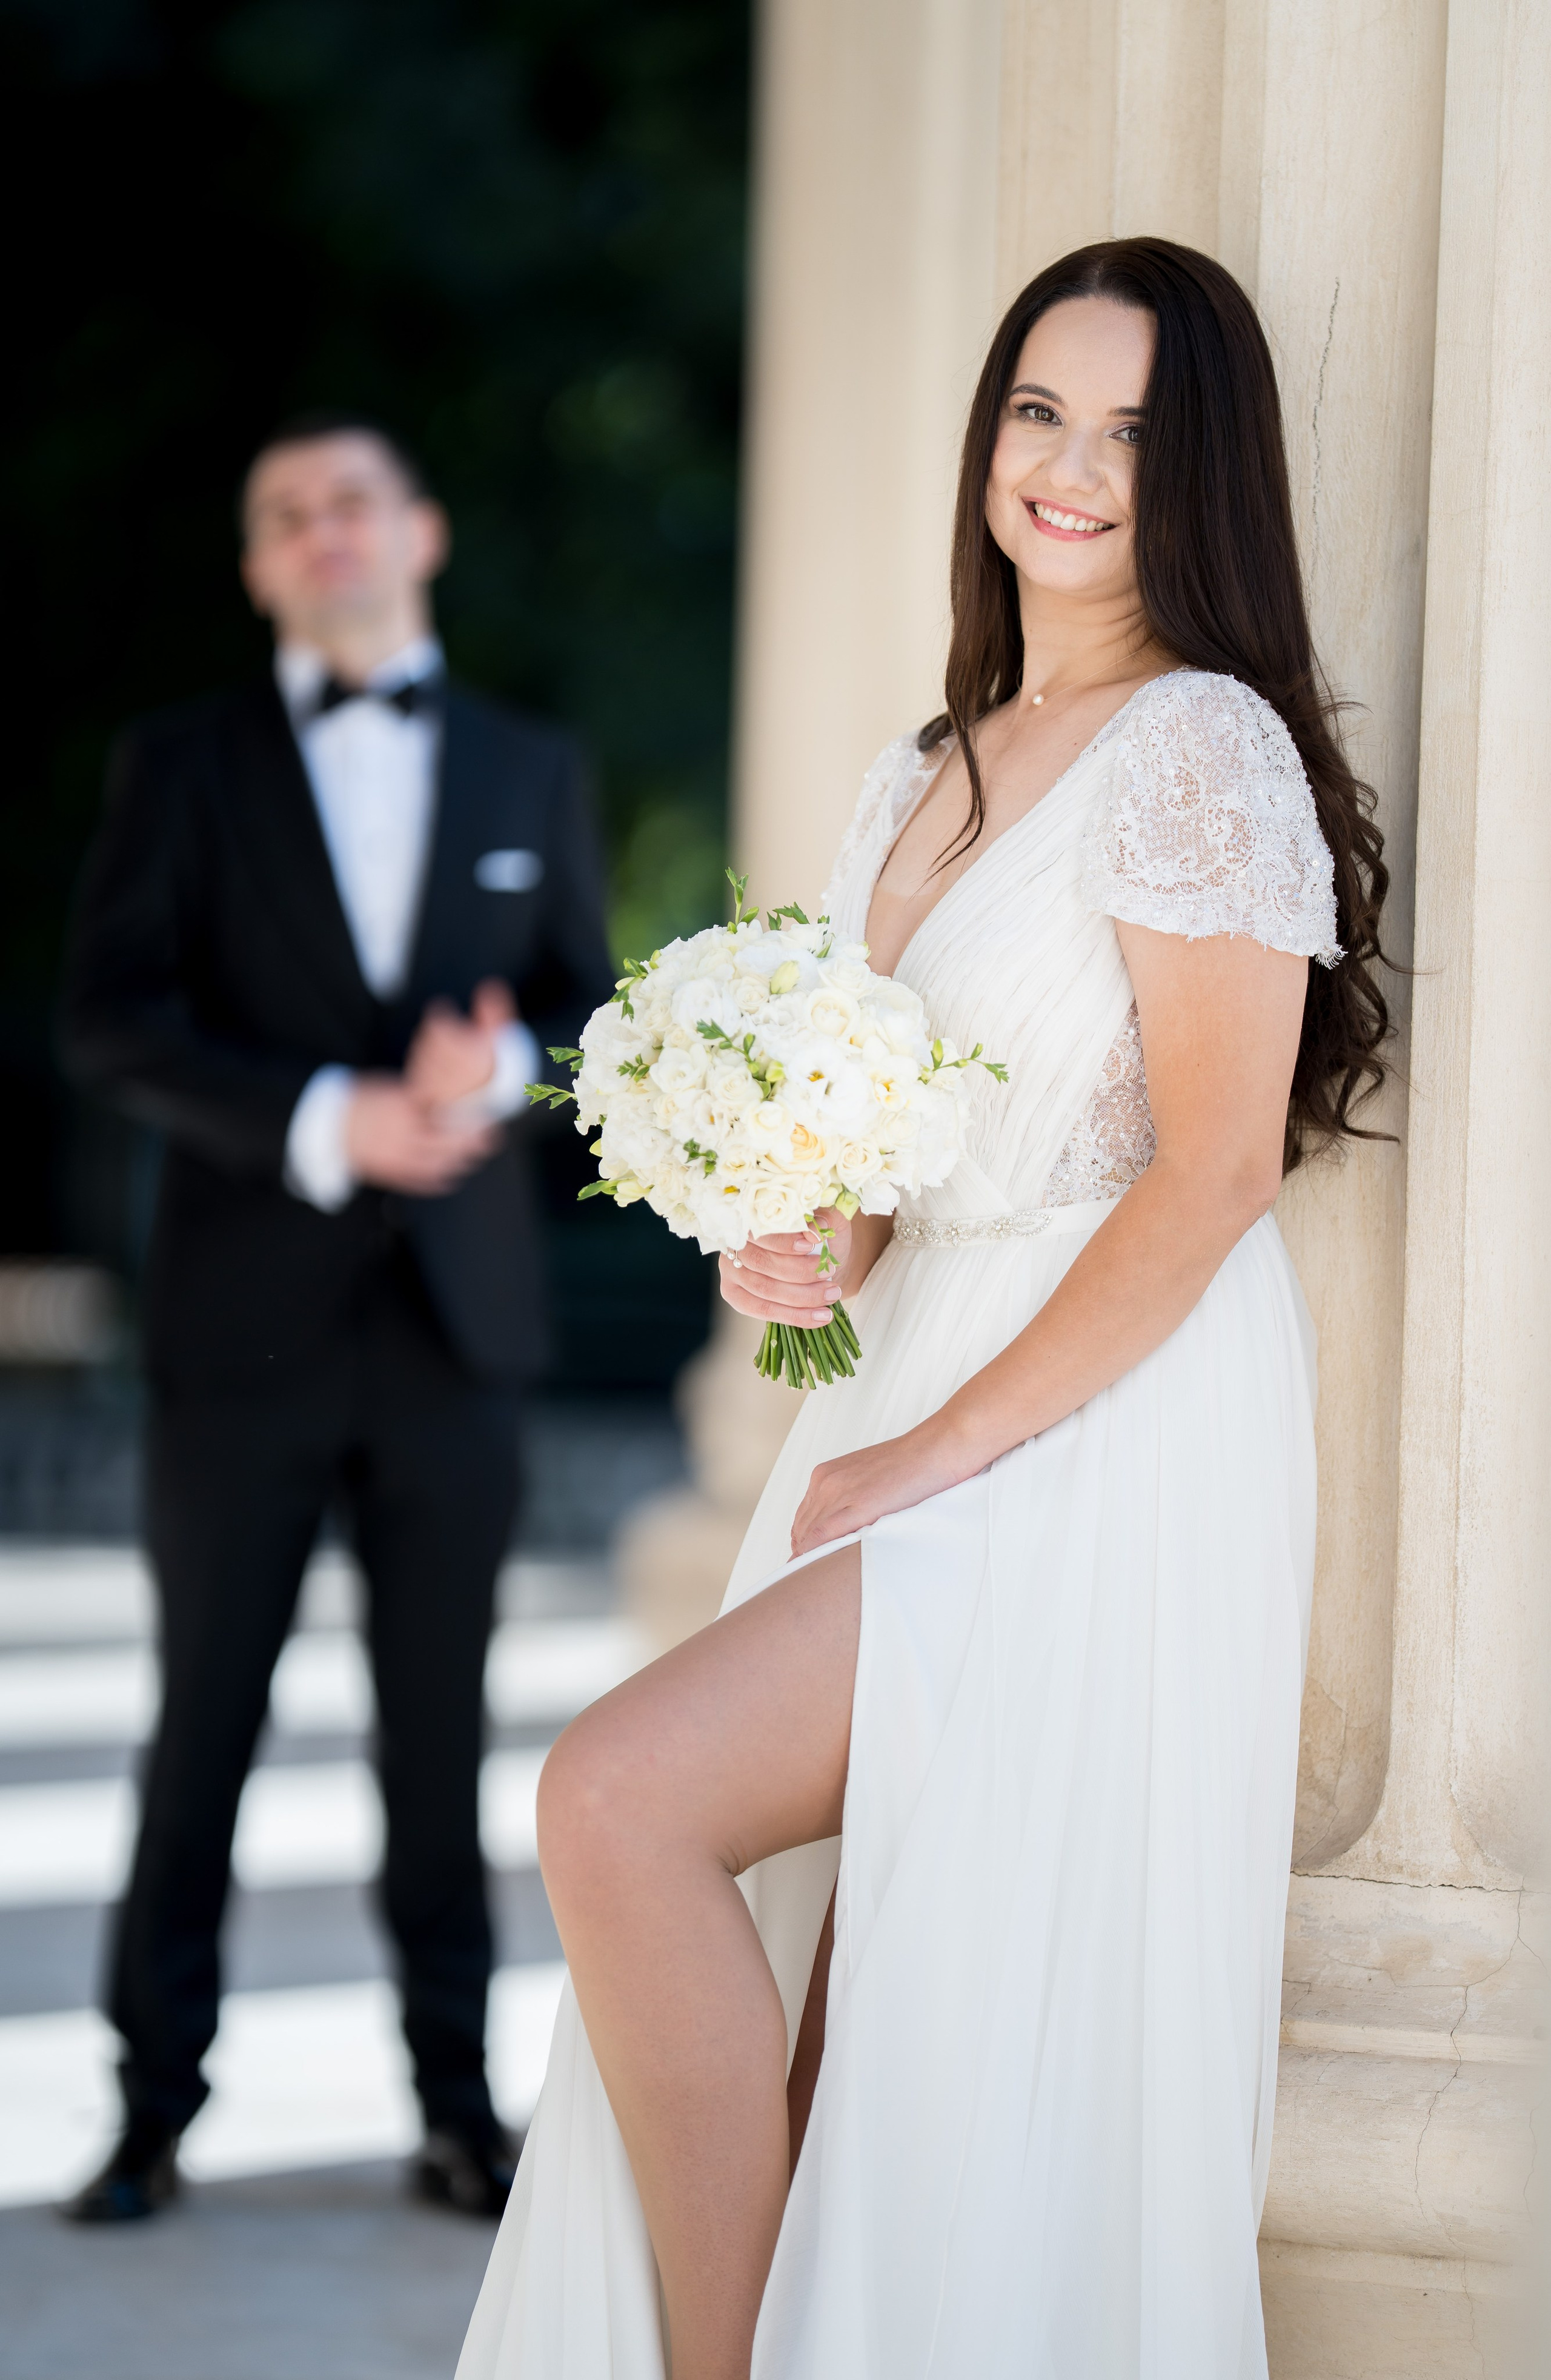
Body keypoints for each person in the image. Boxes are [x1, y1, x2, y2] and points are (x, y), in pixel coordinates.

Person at [454, 239, 1392, 2378]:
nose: (1071, 468)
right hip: (918, 1368)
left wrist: (942, 1445)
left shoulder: (1202, 750)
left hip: (1098, 1423)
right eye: (1040, 411)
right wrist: (797, 1244)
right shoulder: (930, 764)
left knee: (621, 1796)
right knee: (857, 1993)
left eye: (1137, 435)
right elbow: (890, 1176)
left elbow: (1220, 1163)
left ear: (1206, 482)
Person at [58, 414, 616, 2225]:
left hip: (458, 1330)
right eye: (286, 515)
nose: (325, 533)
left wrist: (505, 1066)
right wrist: (326, 1113)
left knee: (438, 1732)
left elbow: (593, 1024)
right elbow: (113, 1017)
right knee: (202, 1716)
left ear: (422, 531)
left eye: (352, 501)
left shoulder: (535, 768)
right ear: (256, 566)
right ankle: (150, 2110)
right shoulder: (181, 763)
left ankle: (458, 2108)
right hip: (244, 1326)